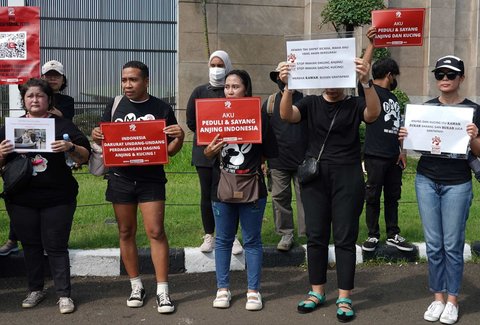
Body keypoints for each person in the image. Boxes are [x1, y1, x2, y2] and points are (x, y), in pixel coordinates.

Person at [279, 55, 381, 321]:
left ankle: (345, 296)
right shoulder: (311, 104)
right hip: (315, 177)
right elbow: (286, 114)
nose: (332, 85)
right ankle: (317, 291)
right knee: (316, 235)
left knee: (345, 237)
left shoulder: (354, 103)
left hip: (347, 175)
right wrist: (289, 86)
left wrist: (366, 82)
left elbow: (373, 114)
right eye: (327, 79)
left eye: (338, 79)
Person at [91, 61, 184, 314]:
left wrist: (179, 137)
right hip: (120, 178)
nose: (127, 85)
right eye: (124, 80)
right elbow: (101, 135)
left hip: (151, 179)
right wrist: (96, 134)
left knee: (155, 231)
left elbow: (170, 151)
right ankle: (136, 286)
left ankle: (163, 290)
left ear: (146, 81)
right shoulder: (115, 104)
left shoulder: (162, 107)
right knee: (125, 231)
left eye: (133, 80)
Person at [399, 55, 480, 325]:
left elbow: (478, 152)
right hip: (426, 180)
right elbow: (418, 146)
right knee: (434, 245)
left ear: (461, 78)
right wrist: (405, 138)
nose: (444, 79)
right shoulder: (426, 109)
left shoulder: (473, 111)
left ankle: (453, 300)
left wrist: (474, 136)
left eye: (451, 75)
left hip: (458, 183)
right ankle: (438, 298)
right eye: (440, 75)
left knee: (452, 245)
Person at [0, 78, 91, 314]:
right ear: (23, 101)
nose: (34, 100)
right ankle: (35, 289)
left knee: (56, 245)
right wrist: (1, 154)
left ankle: (64, 294)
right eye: (30, 96)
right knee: (30, 245)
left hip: (57, 197)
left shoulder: (63, 126)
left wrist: (69, 148)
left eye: (40, 96)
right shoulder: (10, 128)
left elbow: (85, 156)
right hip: (21, 198)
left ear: (48, 100)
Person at [203, 70, 277, 311]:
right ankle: (222, 289)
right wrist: (211, 151)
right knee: (223, 240)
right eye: (227, 87)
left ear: (247, 89)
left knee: (252, 240)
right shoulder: (213, 114)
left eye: (235, 86)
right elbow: (205, 152)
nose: (230, 90)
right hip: (221, 187)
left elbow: (271, 150)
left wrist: (255, 162)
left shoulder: (258, 115)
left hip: (252, 186)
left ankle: (253, 291)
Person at [359, 27, 413, 252]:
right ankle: (373, 235)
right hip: (374, 154)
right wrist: (371, 44)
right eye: (395, 76)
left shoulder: (393, 97)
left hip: (393, 156)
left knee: (393, 195)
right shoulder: (370, 91)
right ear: (390, 75)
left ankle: (393, 233)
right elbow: (362, 73)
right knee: (372, 195)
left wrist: (403, 150)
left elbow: (398, 126)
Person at [186, 50, 243, 255]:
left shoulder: (232, 92)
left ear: (227, 66)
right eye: (213, 65)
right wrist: (209, 137)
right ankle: (209, 234)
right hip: (204, 153)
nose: (216, 70)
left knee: (229, 194)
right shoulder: (199, 91)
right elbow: (192, 121)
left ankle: (231, 235)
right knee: (207, 194)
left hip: (231, 154)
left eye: (220, 65)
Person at [262, 61, 306, 251]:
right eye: (280, 75)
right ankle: (286, 234)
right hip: (277, 160)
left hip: (303, 160)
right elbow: (262, 133)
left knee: (306, 198)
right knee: (279, 198)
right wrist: (263, 159)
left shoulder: (305, 101)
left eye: (287, 74)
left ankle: (309, 234)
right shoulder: (270, 103)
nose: (283, 78)